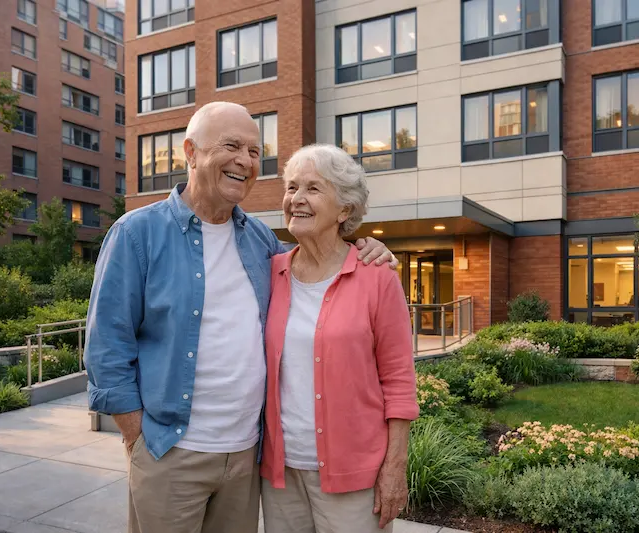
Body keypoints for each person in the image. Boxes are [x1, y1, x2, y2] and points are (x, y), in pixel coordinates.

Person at [84, 102, 396, 533]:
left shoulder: (261, 242)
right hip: (170, 452)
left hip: (247, 458)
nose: (246, 161)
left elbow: (323, 266)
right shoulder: (137, 233)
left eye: (254, 151)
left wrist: (366, 248)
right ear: (190, 152)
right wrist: (138, 437)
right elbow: (106, 347)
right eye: (231, 146)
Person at [260, 144, 419, 533]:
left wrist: (395, 469)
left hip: (354, 477)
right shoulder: (269, 273)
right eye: (292, 187)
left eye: (313, 189)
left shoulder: (376, 276)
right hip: (280, 474)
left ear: (345, 210)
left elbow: (399, 381)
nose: (296, 199)